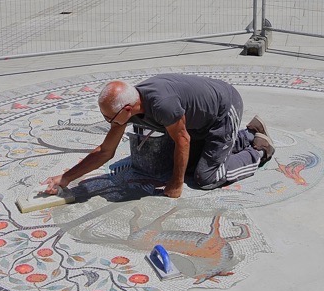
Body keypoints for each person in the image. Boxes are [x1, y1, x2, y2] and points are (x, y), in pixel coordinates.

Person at [41, 73, 274, 199]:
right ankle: (250, 133)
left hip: (223, 110)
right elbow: (105, 151)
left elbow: (183, 140)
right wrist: (66, 178)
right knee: (189, 164)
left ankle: (259, 150)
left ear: (127, 109)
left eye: (109, 118)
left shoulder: (162, 105)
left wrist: (176, 185)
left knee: (206, 177)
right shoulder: (129, 106)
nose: (108, 123)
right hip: (198, 121)